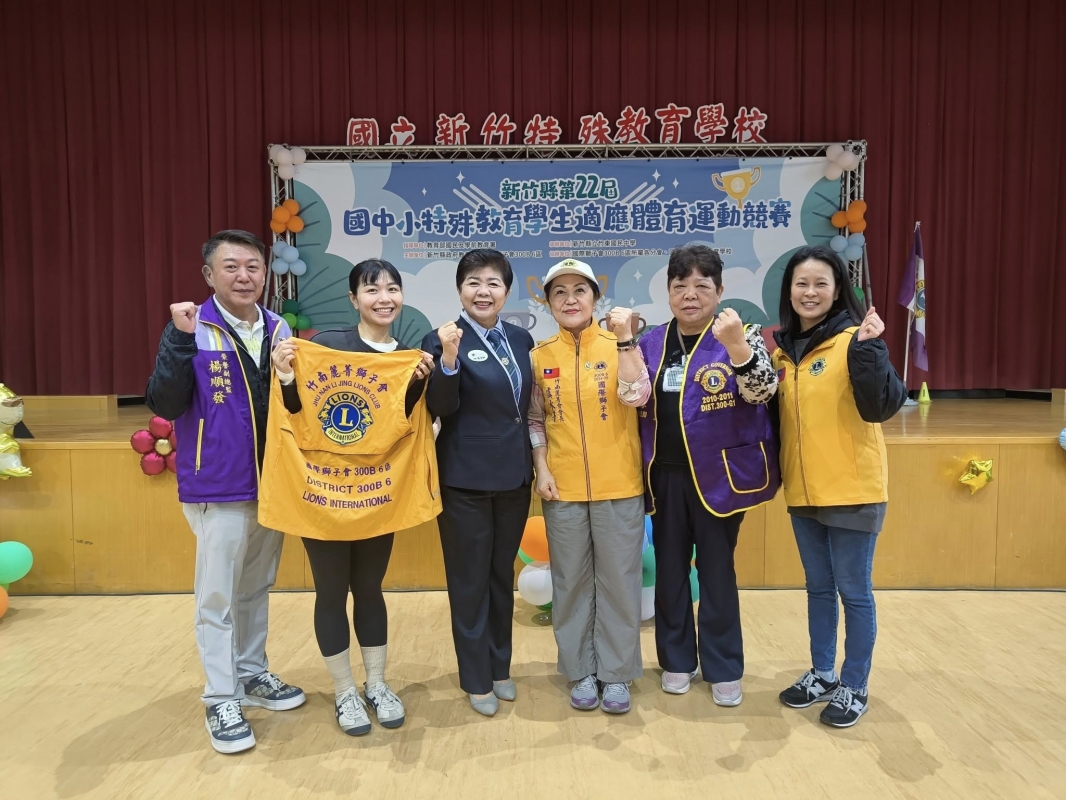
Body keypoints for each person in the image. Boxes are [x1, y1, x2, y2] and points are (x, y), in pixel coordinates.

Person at [145, 230, 305, 755]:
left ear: (265, 274)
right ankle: (220, 696)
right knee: (217, 597)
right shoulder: (192, 327)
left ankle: (251, 673)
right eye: (231, 266)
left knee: (256, 587)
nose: (244, 276)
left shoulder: (279, 328)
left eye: (253, 267)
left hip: (272, 485)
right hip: (217, 484)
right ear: (209, 275)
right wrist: (178, 340)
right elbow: (165, 403)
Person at [271, 259, 433, 736]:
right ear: (353, 299)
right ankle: (345, 691)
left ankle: (376, 684)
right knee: (330, 591)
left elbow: (403, 424)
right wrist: (286, 377)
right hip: (321, 494)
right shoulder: (327, 346)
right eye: (372, 289)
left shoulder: (407, 357)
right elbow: (297, 411)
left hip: (376, 493)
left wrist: (419, 381)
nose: (384, 298)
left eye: (392, 288)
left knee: (369, 588)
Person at [623, 244, 780, 706]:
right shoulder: (651, 342)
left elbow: (763, 392)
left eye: (701, 286)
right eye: (680, 286)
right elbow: (632, 397)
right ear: (668, 292)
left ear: (720, 290)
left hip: (720, 479)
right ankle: (676, 661)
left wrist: (737, 348)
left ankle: (724, 666)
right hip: (665, 478)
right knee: (670, 571)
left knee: (716, 572)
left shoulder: (741, 334)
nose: (690, 295)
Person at [771, 245, 906, 728]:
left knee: (854, 591)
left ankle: (854, 685)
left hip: (853, 490)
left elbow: (880, 407)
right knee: (819, 588)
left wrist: (871, 349)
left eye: (820, 284)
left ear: (837, 291)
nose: (810, 292)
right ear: (789, 290)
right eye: (801, 283)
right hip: (804, 491)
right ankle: (823, 673)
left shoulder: (856, 339)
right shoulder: (782, 351)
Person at [420, 249, 535, 717]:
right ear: (459, 290)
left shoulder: (521, 338)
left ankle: (500, 667)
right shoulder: (441, 337)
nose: (482, 291)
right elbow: (439, 408)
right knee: (469, 582)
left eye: (492, 283)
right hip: (464, 479)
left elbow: (524, 409)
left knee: (500, 577)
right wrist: (448, 358)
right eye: (473, 282)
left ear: (506, 291)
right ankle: (475, 678)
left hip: (514, 477)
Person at [528, 258, 645, 714]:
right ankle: (580, 670)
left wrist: (626, 340)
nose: (570, 299)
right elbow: (535, 420)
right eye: (559, 292)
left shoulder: (621, 344)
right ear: (548, 303)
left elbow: (637, 395)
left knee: (619, 583)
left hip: (619, 484)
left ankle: (616, 675)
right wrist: (542, 467)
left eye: (580, 290)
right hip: (564, 489)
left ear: (596, 298)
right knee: (571, 583)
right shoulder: (540, 356)